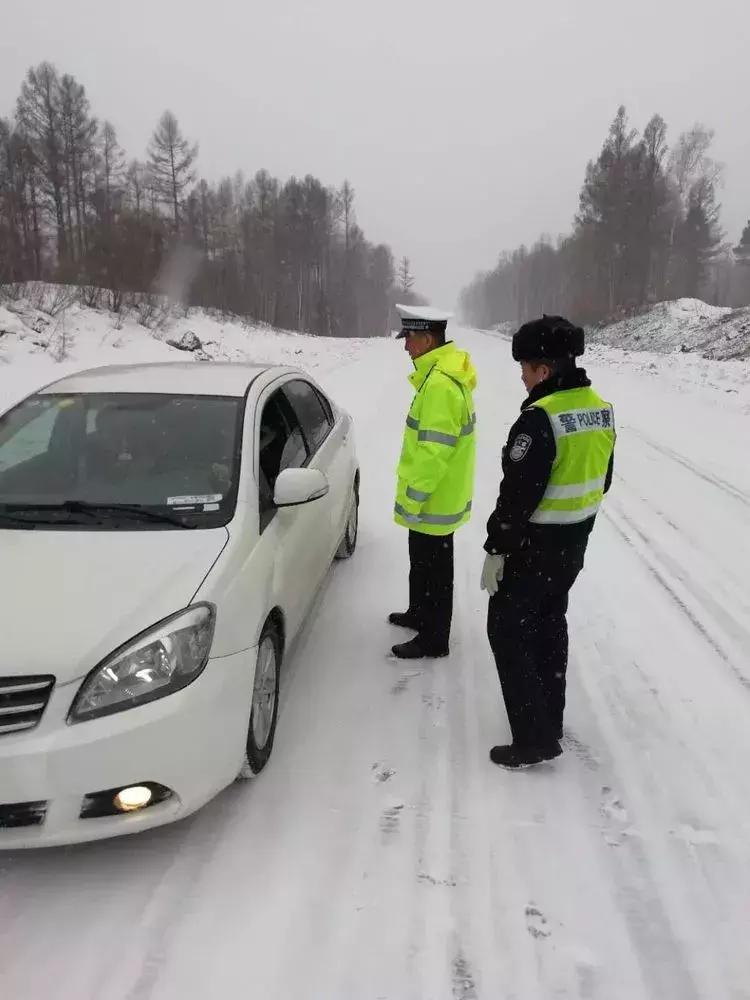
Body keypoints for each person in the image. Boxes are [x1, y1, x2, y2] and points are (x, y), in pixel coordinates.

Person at [480, 315, 615, 769]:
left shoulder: (540, 420)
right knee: (550, 624)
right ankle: (548, 720)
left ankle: (533, 737)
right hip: (574, 544)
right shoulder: (599, 407)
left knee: (508, 630)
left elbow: (516, 499)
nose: (521, 375)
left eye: (525, 366)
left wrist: (496, 547)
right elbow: (605, 479)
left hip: (533, 548)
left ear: (544, 369)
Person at [390, 304, 477, 659]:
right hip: (435, 497)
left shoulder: (440, 385)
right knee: (422, 563)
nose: (406, 346)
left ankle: (434, 638)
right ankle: (419, 614)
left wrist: (413, 497)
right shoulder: (436, 375)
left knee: (435, 571)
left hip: (433, 499)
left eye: (409, 338)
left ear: (426, 339)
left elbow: (433, 452)